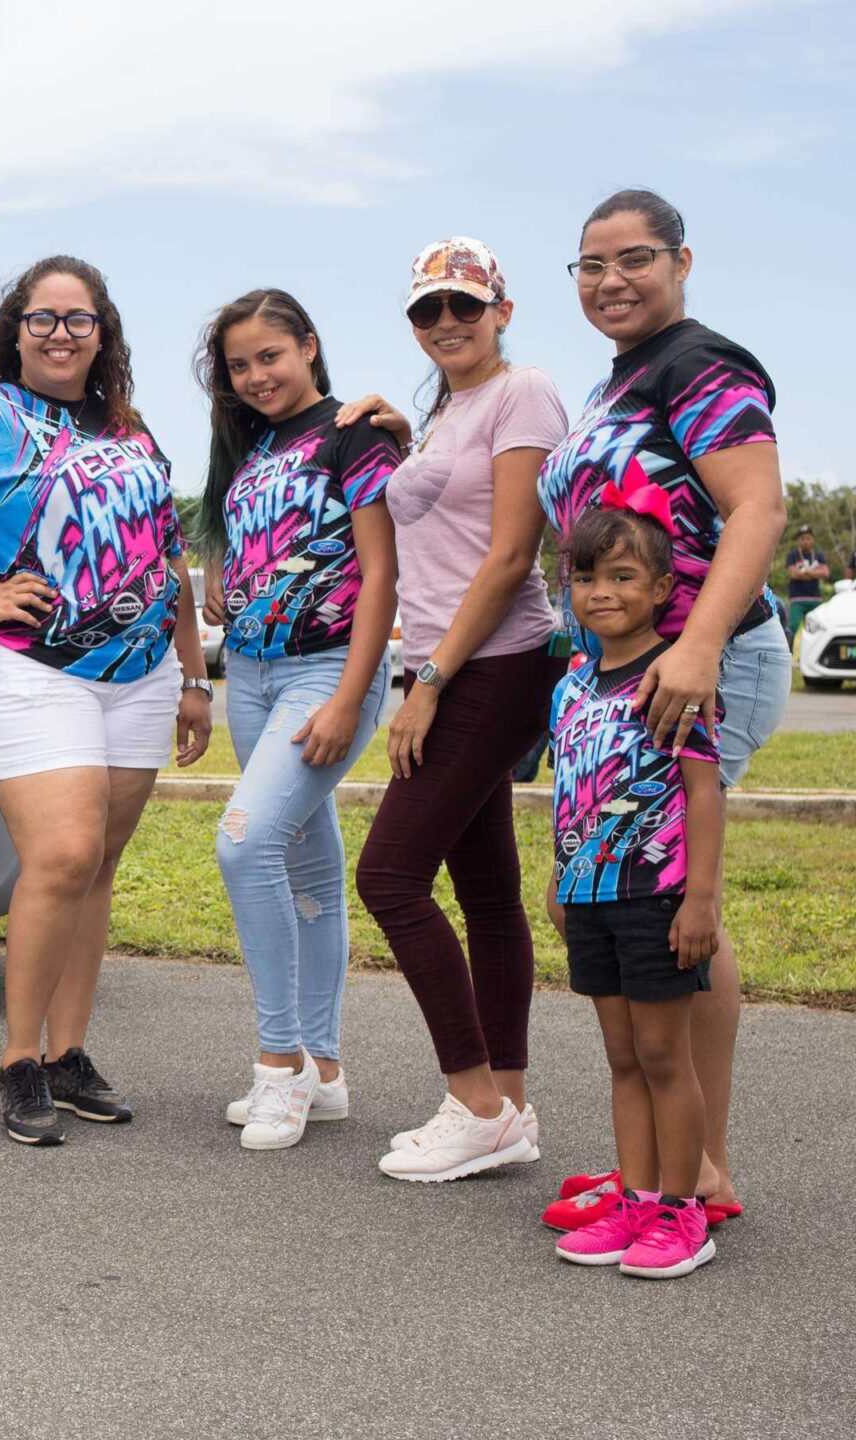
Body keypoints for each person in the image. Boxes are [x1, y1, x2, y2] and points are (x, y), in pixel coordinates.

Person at [0, 256, 213, 1147]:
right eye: (43, 317)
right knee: (60, 855)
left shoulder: (129, 429)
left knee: (97, 867)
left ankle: (70, 1054)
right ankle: (20, 1062)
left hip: (141, 677)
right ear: (14, 330)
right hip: (30, 665)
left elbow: (165, 555)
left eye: (79, 319)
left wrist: (194, 674)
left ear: (105, 333)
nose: (61, 333)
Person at [534, 188, 785, 1226]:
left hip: (695, 668)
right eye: (589, 265)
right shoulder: (620, 381)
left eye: (632, 258)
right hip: (626, 679)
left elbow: (756, 507)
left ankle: (700, 1170)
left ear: (681, 261)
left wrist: (697, 643)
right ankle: (663, 1168)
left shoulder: (701, 363)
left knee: (682, 905)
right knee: (646, 894)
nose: (610, 280)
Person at [337, 239, 569, 1181]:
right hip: (459, 663)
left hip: (493, 665)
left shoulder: (528, 392)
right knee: (484, 893)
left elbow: (511, 552)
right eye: (427, 312)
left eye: (464, 308)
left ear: (502, 310)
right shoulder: (451, 409)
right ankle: (506, 1102)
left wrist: (425, 682)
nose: (445, 325)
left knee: (390, 876)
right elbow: (445, 508)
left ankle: (474, 1100)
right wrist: (407, 428)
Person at [189, 289, 399, 1152]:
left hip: (328, 669)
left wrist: (351, 696)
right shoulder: (251, 446)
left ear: (309, 346)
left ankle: (280, 1065)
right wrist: (217, 561)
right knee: (308, 861)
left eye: (270, 355)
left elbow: (382, 572)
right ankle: (327, 1070)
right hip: (253, 672)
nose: (256, 376)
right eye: (239, 366)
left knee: (243, 839)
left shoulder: (355, 432)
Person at [544, 500, 725, 1280]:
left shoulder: (677, 675)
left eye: (622, 576)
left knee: (662, 1055)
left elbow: (705, 791)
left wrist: (701, 899)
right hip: (589, 897)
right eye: (585, 577)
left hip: (656, 896)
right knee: (621, 1057)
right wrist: (559, 878)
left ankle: (683, 1213)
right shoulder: (573, 686)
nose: (601, 592)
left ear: (660, 589)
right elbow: (573, 792)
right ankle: (638, 1199)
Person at [783, 526, 831, 638]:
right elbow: (793, 574)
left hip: (815, 598)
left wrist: (804, 572)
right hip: (797, 599)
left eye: (808, 538)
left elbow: (825, 573)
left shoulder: (818, 555)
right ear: (798, 540)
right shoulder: (793, 555)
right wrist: (815, 573)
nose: (805, 541)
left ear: (813, 539)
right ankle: (788, 653)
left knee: (818, 627)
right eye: (802, 538)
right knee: (792, 627)